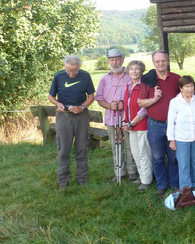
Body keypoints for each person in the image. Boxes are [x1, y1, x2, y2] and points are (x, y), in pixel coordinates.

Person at [138, 50, 181, 198]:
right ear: (153, 63)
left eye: (163, 61)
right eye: (157, 61)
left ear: (168, 62)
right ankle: (161, 186)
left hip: (173, 125)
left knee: (174, 156)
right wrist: (155, 99)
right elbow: (140, 102)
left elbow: (184, 96)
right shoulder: (148, 80)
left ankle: (175, 184)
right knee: (158, 157)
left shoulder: (176, 78)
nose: (160, 63)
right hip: (155, 125)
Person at [48, 55, 95, 189]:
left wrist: (82, 107)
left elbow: (91, 96)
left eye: (74, 71)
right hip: (64, 116)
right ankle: (63, 181)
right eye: (68, 71)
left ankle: (82, 179)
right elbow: (50, 96)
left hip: (81, 116)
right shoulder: (59, 76)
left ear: (79, 68)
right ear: (65, 67)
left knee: (82, 147)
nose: (71, 74)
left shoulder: (85, 76)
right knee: (63, 148)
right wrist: (58, 104)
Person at [95, 48, 137, 182]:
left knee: (131, 145)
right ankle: (119, 172)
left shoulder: (130, 76)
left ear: (123, 60)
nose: (114, 63)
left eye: (117, 59)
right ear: (109, 61)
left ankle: (133, 173)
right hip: (111, 118)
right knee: (116, 145)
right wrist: (109, 106)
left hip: (129, 118)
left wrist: (124, 105)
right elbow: (99, 98)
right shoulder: (104, 78)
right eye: (111, 60)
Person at [122, 60, 153, 191]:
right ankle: (142, 176)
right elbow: (126, 106)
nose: (134, 71)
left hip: (141, 125)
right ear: (128, 71)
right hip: (131, 126)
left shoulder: (144, 86)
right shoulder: (129, 86)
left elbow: (144, 109)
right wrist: (125, 121)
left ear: (141, 71)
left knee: (144, 153)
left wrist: (132, 122)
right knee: (135, 153)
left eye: (137, 69)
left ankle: (147, 181)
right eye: (131, 69)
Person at [167, 76, 195, 191]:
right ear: (181, 88)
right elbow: (171, 122)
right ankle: (185, 188)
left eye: (191, 86)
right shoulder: (175, 102)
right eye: (186, 86)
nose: (189, 89)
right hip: (181, 139)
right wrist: (171, 140)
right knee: (184, 165)